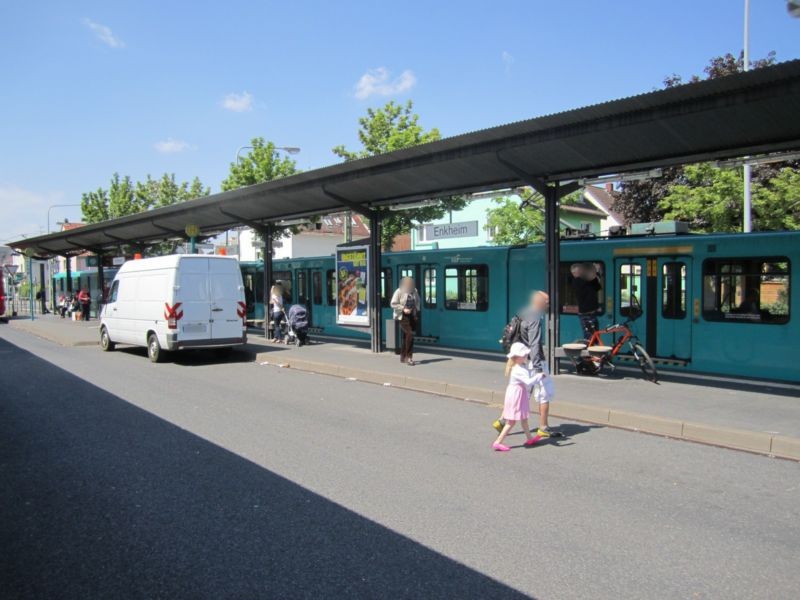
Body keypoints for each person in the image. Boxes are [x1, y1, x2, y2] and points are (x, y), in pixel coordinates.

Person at [493, 291, 560, 438]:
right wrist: (538, 368)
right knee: (544, 392)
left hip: (523, 360)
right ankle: (543, 427)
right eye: (546, 301)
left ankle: (502, 420)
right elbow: (534, 343)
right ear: (539, 302)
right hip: (534, 361)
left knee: (522, 393)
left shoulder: (522, 313)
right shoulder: (534, 317)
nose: (548, 304)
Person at [492, 342, 544, 452]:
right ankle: (498, 442)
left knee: (523, 418)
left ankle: (530, 438)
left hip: (518, 393)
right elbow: (529, 382)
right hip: (516, 395)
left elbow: (528, 377)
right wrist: (539, 376)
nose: (526, 356)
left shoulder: (521, 366)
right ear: (516, 357)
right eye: (524, 355)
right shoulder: (518, 369)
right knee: (511, 421)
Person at [390, 277, 420, 365]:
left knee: (406, 336)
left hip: (411, 316)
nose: (409, 285)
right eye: (407, 283)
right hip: (402, 316)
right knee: (410, 334)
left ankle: (402, 357)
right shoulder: (399, 291)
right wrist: (403, 309)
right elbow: (393, 303)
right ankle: (409, 357)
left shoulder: (414, 291)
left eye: (410, 283)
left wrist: (415, 311)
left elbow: (418, 301)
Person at [570, 262, 602, 339]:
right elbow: (594, 280)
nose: (582, 271)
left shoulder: (583, 280)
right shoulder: (577, 281)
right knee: (590, 337)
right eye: (581, 270)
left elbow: (597, 286)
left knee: (594, 336)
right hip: (587, 314)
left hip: (591, 313)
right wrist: (596, 271)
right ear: (575, 272)